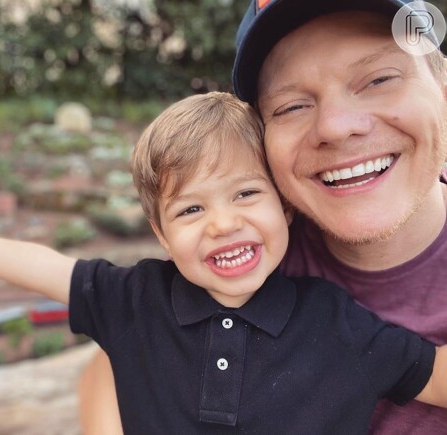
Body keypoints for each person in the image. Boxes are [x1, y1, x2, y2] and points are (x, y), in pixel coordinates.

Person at [0, 92, 447, 434]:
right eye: (190, 208)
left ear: (284, 204)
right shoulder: (135, 298)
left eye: (246, 194)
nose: (223, 223)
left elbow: (435, 380)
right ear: (161, 233)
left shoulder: (336, 322)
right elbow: (37, 265)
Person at [78, 1, 447, 434]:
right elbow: (122, 351)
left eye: (379, 79)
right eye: (290, 106)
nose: (335, 126)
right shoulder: (250, 252)